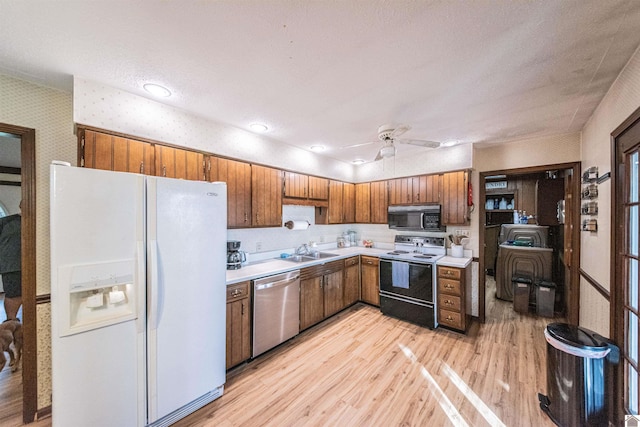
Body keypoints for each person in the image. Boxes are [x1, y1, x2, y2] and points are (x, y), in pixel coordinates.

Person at [0, 201, 21, 320]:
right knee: (13, 295)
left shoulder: (37, 223)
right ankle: (10, 321)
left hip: (30, 266)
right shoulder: (6, 222)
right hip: (11, 266)